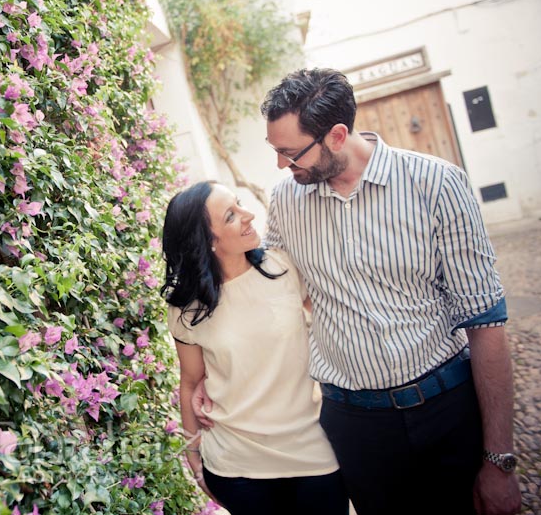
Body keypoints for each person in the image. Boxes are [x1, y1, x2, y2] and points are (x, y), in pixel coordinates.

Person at [193, 68, 522, 515]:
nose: (281, 165)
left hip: (447, 408)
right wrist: (207, 366)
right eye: (276, 151)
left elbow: (485, 321)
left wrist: (499, 461)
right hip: (355, 425)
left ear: (337, 135)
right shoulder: (288, 200)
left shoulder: (437, 184)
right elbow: (263, 286)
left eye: (289, 152)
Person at [160, 180, 348, 515]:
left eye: (240, 203)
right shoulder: (188, 309)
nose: (248, 215)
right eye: (231, 215)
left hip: (312, 451)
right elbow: (190, 381)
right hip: (237, 465)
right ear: (207, 242)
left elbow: (334, 326)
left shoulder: (284, 267)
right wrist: (193, 456)